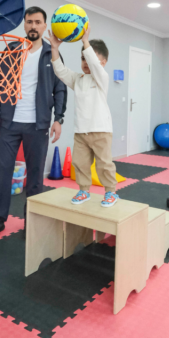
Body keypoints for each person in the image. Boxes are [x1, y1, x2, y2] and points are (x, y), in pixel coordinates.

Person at [0, 6, 68, 240]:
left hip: (38, 124)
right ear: (25, 25)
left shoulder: (52, 53)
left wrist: (58, 119)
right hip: (9, 122)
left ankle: (33, 220)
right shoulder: (11, 50)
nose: (33, 26)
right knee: (3, 172)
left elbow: (60, 89)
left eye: (37, 22)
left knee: (36, 174)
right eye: (29, 22)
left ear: (44, 25)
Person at [48, 25, 119, 207]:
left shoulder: (102, 78)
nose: (86, 62)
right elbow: (61, 71)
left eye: (90, 58)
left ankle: (111, 192)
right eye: (82, 58)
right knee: (80, 163)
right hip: (81, 131)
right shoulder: (78, 79)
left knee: (104, 164)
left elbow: (94, 66)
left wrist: (85, 41)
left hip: (100, 130)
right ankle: (84, 191)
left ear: (103, 62)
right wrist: (54, 48)